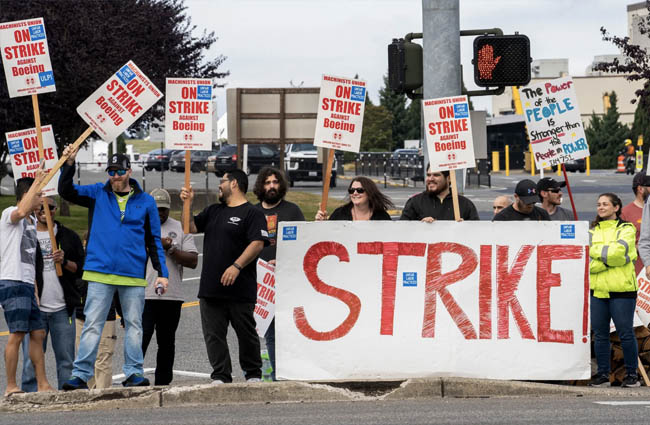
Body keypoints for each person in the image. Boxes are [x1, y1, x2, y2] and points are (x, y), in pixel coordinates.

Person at [59, 149, 169, 390]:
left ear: (129, 170)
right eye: (111, 171)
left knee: (134, 325)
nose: (115, 176)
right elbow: (65, 191)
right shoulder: (97, 193)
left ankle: (133, 373)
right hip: (99, 272)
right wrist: (69, 163)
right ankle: (80, 374)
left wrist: (162, 274)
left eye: (120, 171)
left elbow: (153, 240)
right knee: (92, 325)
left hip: (132, 275)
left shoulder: (146, 201)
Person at [180, 169, 269, 384]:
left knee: (246, 333)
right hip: (211, 288)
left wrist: (236, 266)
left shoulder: (252, 213)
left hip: (240, 288)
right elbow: (188, 228)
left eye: (223, 181)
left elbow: (257, 243)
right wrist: (188, 203)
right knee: (213, 335)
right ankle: (221, 375)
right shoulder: (213, 211)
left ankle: (253, 374)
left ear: (235, 184)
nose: (220, 185)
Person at [21, 196, 85, 392]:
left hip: (62, 309)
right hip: (34, 309)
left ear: (55, 209)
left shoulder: (68, 236)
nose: (44, 211)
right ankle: (30, 395)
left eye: (49, 207)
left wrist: (64, 262)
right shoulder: (25, 236)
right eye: (40, 207)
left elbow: (81, 269)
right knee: (31, 360)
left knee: (66, 359)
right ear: (33, 210)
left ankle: (67, 397)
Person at [0, 172, 55, 397]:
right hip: (11, 280)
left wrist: (34, 288)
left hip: (26, 283)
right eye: (38, 195)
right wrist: (38, 179)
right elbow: (20, 211)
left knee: (38, 332)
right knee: (18, 332)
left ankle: (42, 383)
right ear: (26, 195)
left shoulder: (31, 222)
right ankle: (11, 386)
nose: (42, 200)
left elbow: (30, 258)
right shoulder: (9, 215)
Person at [142, 188, 198, 386]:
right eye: (156, 209)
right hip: (144, 294)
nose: (159, 213)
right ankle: (134, 378)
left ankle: (163, 383)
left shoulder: (180, 228)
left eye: (163, 209)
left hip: (171, 296)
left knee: (166, 343)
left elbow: (192, 261)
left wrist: (171, 248)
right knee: (140, 340)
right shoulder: (139, 226)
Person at [253, 167, 305, 381]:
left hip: (289, 280)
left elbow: (304, 243)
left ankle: (296, 373)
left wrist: (283, 261)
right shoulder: (253, 212)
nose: (271, 186)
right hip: (261, 283)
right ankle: (277, 376)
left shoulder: (293, 211)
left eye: (275, 182)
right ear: (260, 187)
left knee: (293, 331)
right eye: (267, 182)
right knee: (270, 334)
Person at [589, 193, 640, 387]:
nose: (600, 207)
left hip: (622, 290)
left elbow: (622, 254)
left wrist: (599, 258)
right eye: (598, 205)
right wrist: (607, 261)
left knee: (625, 333)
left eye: (605, 204)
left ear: (616, 207)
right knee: (600, 334)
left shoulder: (627, 228)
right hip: (598, 290)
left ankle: (631, 375)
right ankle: (603, 374)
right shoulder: (593, 230)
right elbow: (589, 260)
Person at [400, 166, 479, 222]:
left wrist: (466, 227)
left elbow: (477, 233)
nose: (430, 179)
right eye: (428, 175)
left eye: (436, 175)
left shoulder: (465, 204)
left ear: (449, 178)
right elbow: (402, 232)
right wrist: (420, 226)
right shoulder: (415, 202)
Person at [316, 176, 393, 221]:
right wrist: (322, 224)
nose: (355, 193)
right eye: (351, 190)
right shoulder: (340, 213)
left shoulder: (382, 217)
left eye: (360, 190)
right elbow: (328, 237)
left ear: (370, 193)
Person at [621, 172, 650, 276]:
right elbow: (619, 245)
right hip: (637, 273)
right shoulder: (625, 213)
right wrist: (638, 247)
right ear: (640, 189)